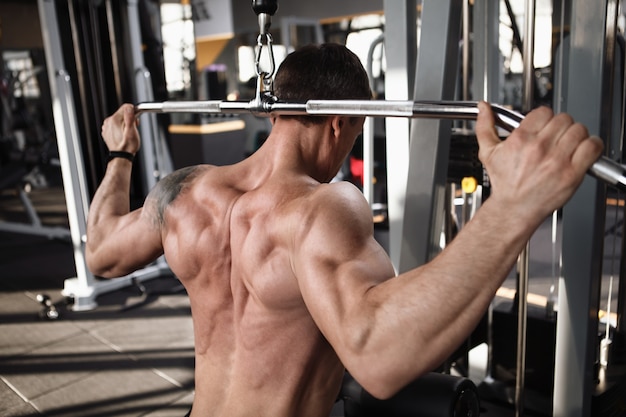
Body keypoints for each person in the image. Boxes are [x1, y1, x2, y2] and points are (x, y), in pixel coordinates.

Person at [85, 43, 603, 417]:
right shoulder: (321, 208)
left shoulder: (185, 193)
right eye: (353, 135)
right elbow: (377, 353)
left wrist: (119, 155)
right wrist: (513, 206)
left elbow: (102, 253)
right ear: (340, 123)